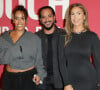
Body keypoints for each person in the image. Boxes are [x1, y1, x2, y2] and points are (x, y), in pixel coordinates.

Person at [0, 5, 46, 90]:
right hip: (9, 78)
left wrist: (40, 75)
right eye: (17, 18)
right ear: (13, 20)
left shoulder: (34, 39)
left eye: (22, 18)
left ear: (26, 20)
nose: (19, 21)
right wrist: (14, 51)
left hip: (28, 78)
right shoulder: (4, 38)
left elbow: (39, 61)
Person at [58, 3, 100, 90]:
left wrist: (99, 81)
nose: (75, 17)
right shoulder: (63, 37)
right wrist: (66, 83)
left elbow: (98, 61)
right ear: (69, 17)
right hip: (70, 82)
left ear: (84, 16)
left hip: (89, 80)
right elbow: (61, 62)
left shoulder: (92, 36)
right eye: (72, 14)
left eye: (79, 13)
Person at [36, 6, 73, 90]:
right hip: (41, 83)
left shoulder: (64, 35)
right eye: (43, 17)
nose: (47, 20)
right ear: (40, 20)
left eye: (49, 16)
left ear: (54, 17)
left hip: (61, 82)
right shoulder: (36, 37)